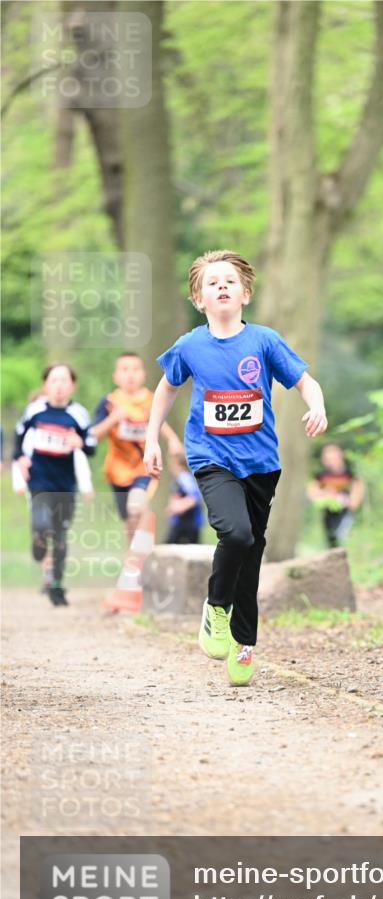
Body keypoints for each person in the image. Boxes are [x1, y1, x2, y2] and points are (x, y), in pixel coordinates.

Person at [143, 249, 327, 685]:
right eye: (212, 282)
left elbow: (304, 380)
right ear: (199, 298)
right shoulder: (190, 345)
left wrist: (316, 405)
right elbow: (165, 390)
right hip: (211, 458)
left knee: (252, 550)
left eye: (229, 281)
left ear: (245, 293)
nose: (221, 286)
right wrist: (151, 438)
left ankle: (244, 644)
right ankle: (215, 608)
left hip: (261, 462)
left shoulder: (263, 340)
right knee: (236, 533)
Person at [12, 363, 96, 606]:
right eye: (54, 381)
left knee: (60, 536)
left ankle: (56, 586)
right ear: (46, 385)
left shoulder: (78, 413)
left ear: (72, 385)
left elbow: (90, 445)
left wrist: (79, 441)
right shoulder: (35, 410)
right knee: (42, 523)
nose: (59, 386)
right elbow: (18, 436)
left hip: (65, 484)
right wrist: (20, 458)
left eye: (64, 381)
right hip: (39, 479)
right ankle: (38, 543)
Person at [91, 352, 182, 543]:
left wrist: (173, 440)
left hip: (144, 466)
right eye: (124, 370)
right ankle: (135, 556)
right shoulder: (109, 402)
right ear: (115, 376)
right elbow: (94, 436)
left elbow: (159, 422)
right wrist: (113, 419)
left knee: (137, 506)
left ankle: (144, 552)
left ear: (143, 374)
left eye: (135, 369)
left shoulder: (151, 400)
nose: (130, 375)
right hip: (117, 469)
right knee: (129, 519)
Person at [307, 443, 364, 548]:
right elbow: (312, 491)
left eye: (333, 457)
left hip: (346, 513)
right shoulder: (321, 475)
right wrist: (325, 494)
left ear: (340, 456)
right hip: (328, 513)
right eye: (327, 458)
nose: (331, 460)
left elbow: (357, 488)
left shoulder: (349, 473)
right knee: (331, 539)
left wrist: (351, 501)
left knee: (343, 536)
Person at [165, 452, 204, 544]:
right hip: (180, 522)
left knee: (169, 545)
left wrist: (179, 507)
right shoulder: (179, 478)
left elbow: (195, 496)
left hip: (189, 522)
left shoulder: (185, 477)